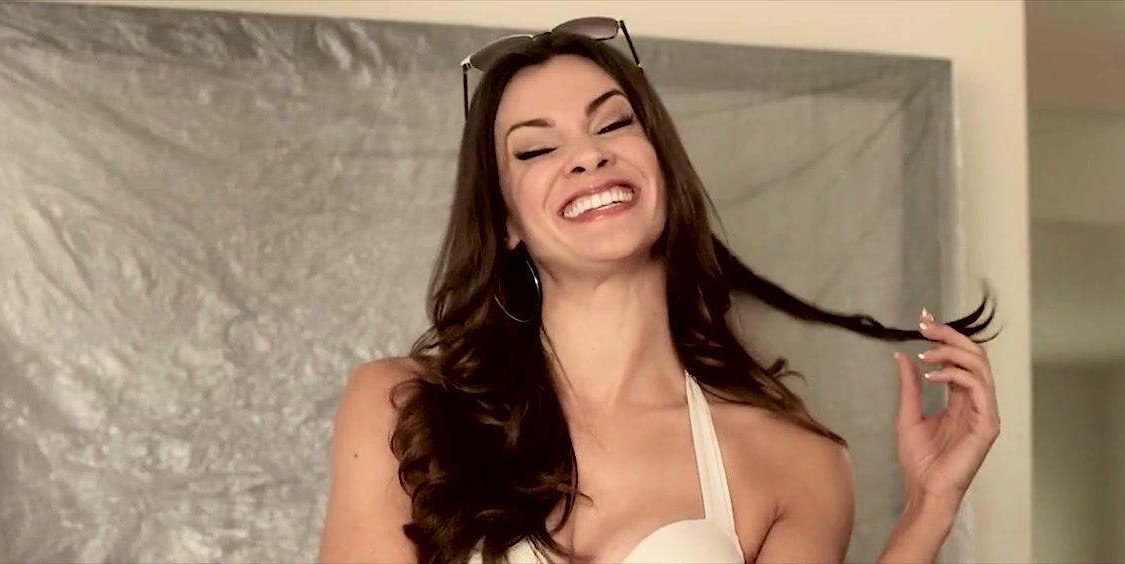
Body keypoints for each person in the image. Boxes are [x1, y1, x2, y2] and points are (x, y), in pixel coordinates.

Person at [319, 18, 1000, 564]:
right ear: (503, 222)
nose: (588, 155)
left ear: (664, 168)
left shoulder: (796, 462)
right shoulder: (401, 408)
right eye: (536, 149)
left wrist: (929, 509)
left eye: (613, 123)